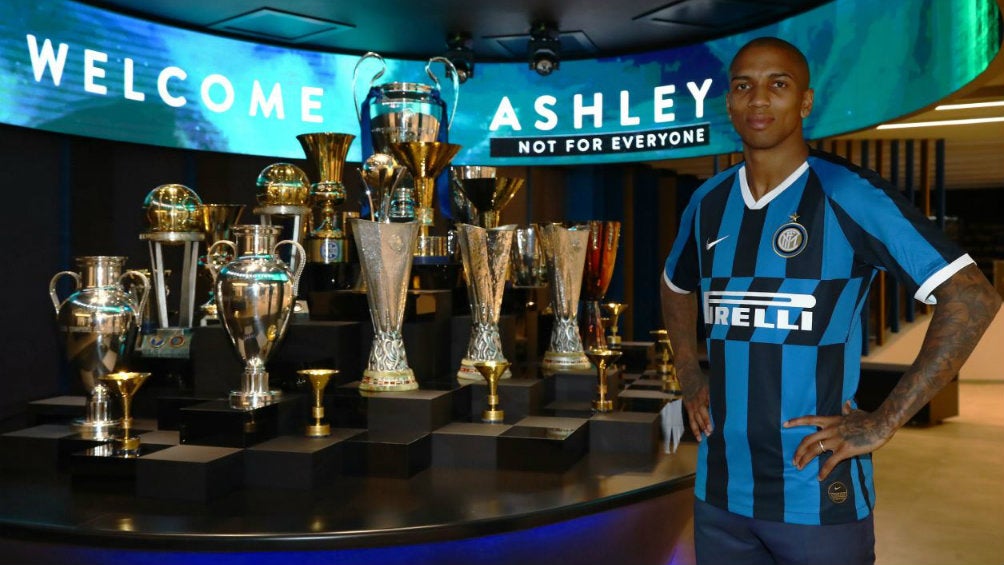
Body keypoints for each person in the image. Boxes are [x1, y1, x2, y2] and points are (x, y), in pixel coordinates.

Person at [660, 36, 1001, 565]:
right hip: (720, 491)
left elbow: (971, 297)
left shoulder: (848, 193)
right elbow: (676, 284)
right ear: (727, 102)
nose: (757, 100)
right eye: (743, 86)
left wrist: (886, 419)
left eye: (778, 85)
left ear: (805, 102)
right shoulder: (708, 201)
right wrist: (689, 372)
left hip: (817, 495)